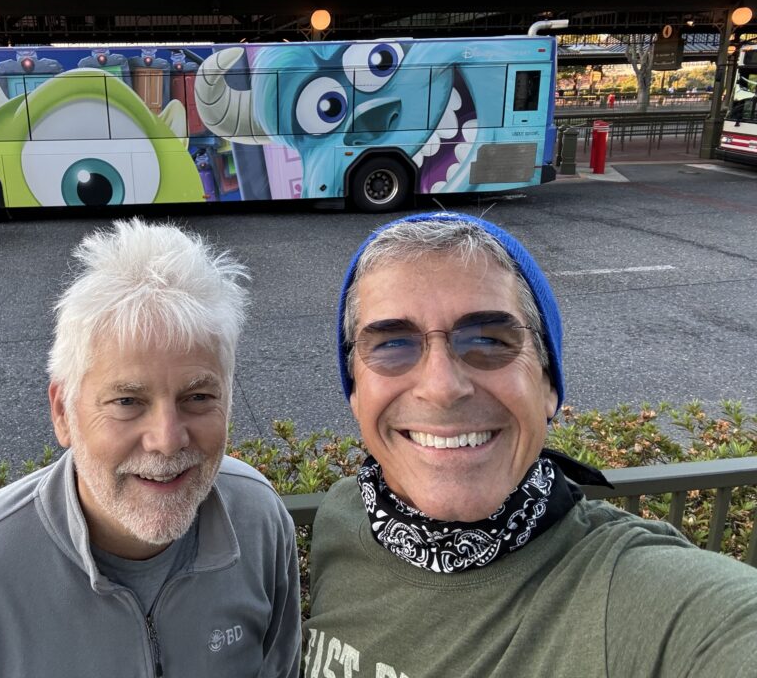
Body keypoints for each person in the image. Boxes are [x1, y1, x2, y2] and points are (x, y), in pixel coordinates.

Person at [304, 211, 757, 677]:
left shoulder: (637, 592)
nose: (441, 387)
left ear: (548, 385)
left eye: (488, 339)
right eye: (393, 344)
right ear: (356, 394)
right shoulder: (342, 518)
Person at [0, 219, 301, 678]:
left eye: (198, 397)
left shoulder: (259, 522)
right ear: (62, 412)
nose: (168, 439)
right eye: (128, 401)